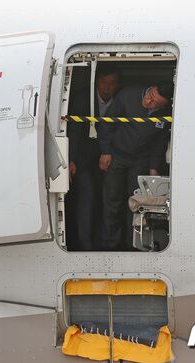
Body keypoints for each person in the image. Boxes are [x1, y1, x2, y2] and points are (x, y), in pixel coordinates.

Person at [98, 82, 173, 250]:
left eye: (155, 103)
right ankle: (109, 245)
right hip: (116, 155)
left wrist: (153, 167)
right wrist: (105, 151)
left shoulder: (165, 114)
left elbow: (159, 143)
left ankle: (132, 244)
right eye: (150, 96)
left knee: (136, 203)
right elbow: (106, 123)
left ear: (164, 105)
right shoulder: (127, 94)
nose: (149, 102)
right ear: (152, 88)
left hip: (140, 160)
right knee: (112, 201)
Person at [67, 65, 121, 250]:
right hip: (83, 159)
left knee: (108, 201)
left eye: (112, 83)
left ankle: (106, 244)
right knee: (87, 199)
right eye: (104, 82)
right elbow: (73, 131)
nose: (107, 87)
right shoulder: (84, 98)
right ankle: (85, 244)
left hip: (112, 158)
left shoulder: (119, 100)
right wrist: (71, 160)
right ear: (97, 82)